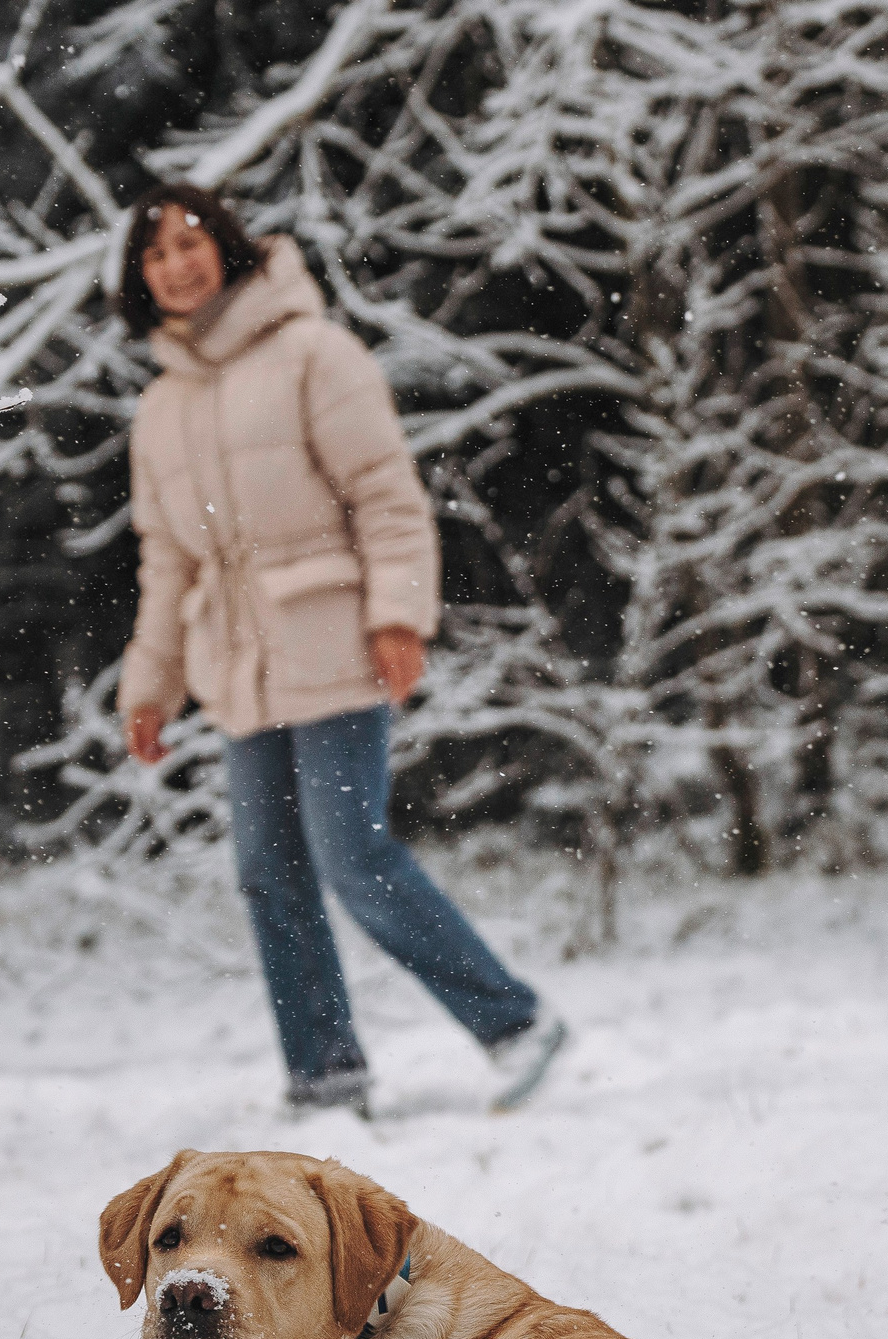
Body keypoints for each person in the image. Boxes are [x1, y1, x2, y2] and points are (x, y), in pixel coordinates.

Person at [111, 184, 568, 1119]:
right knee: (265, 871)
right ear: (141, 279)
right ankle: (325, 1075)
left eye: (191, 242)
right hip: (236, 666)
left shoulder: (314, 353)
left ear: (229, 249)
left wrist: (398, 616)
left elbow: (385, 494)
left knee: (352, 855)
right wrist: (149, 686)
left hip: (329, 638)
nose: (177, 263)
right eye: (156, 253)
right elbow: (166, 559)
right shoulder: (161, 407)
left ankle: (515, 1024)